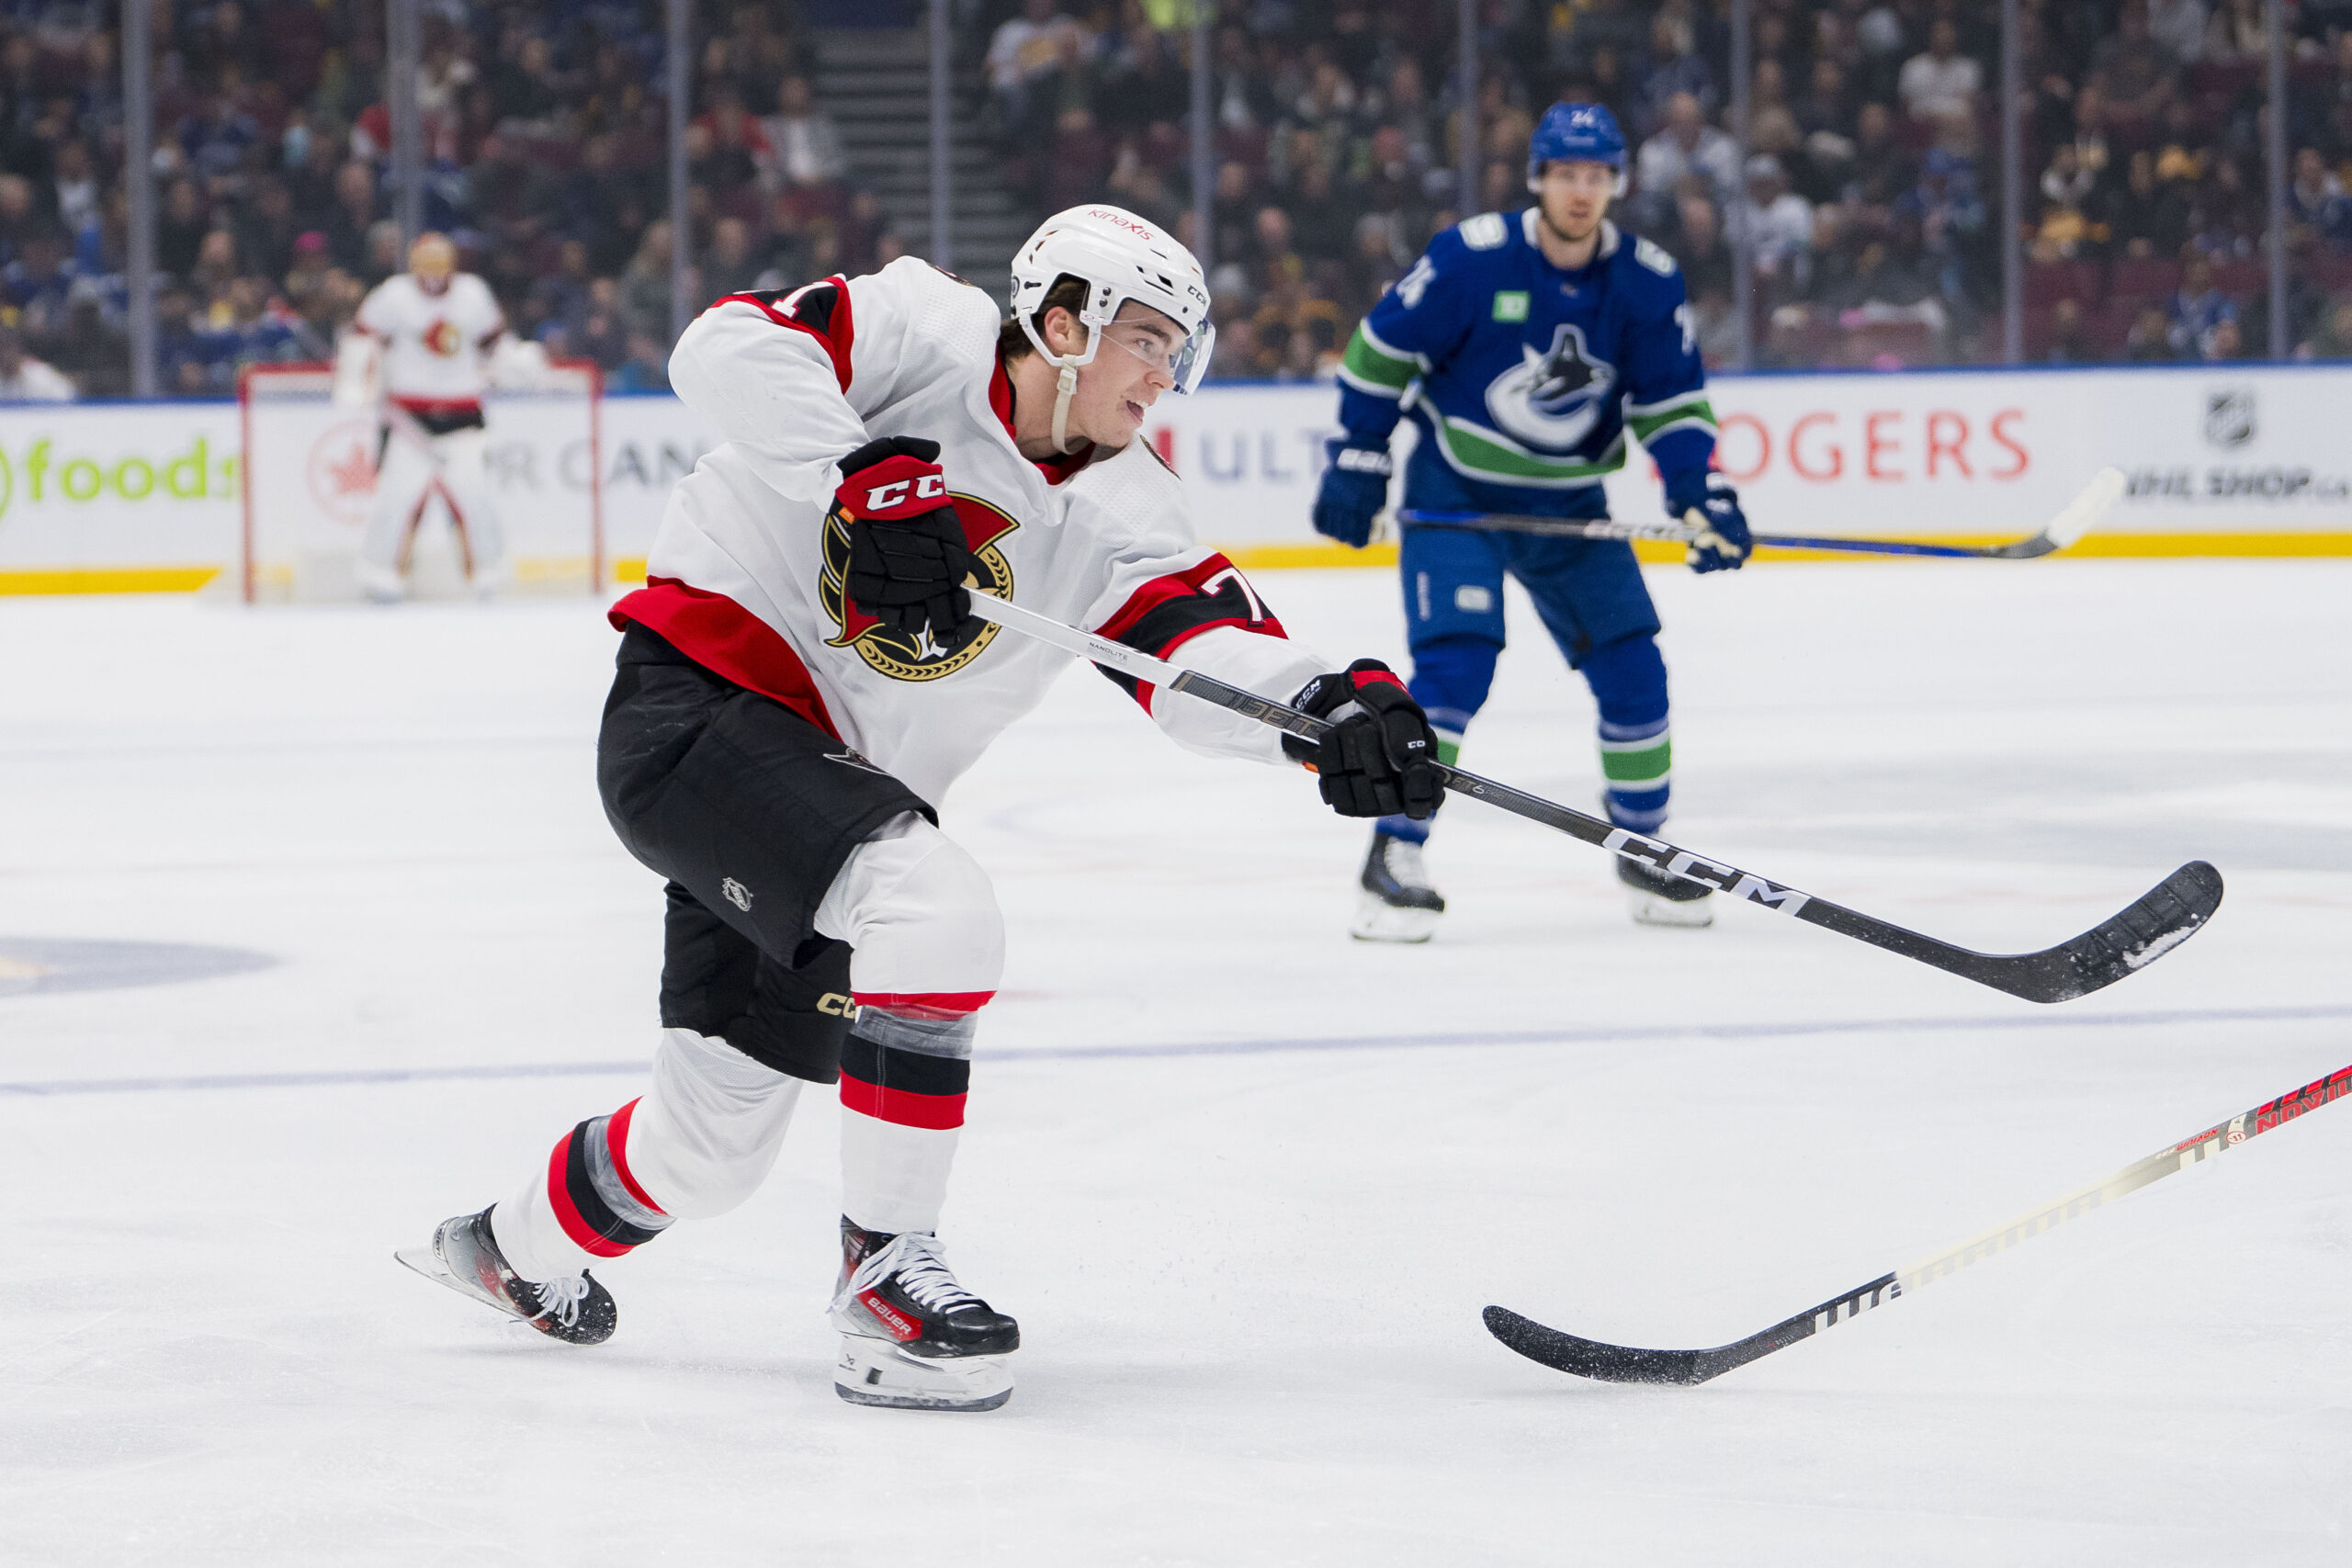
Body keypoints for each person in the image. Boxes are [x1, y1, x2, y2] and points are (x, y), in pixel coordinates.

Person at [396, 205, 1442, 1413]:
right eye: (1147, 338)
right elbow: (722, 348)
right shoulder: (921, 332)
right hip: (696, 709)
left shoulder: (1128, 507)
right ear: (1063, 321)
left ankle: (510, 1247)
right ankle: (883, 1275)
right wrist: (858, 469)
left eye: (1179, 348)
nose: (1167, 373)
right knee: (932, 902)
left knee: (712, 1146)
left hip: (822, 797)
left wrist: (1330, 711)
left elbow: (1198, 647)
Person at [1315, 102, 1752, 942]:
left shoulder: (1646, 280)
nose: (1581, 191)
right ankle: (1394, 855)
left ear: (1616, 183)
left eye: (1596, 176)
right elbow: (1379, 353)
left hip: (1570, 504)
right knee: (1456, 671)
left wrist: (1702, 490)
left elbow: (1671, 402)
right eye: (1565, 174)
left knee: (1635, 671)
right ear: (1539, 179)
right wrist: (1358, 455)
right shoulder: (1472, 260)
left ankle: (1644, 845)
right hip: (1458, 496)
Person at [336, 231, 537, 602]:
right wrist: (351, 381)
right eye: (425, 266)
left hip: (463, 417)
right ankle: (379, 573)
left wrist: (518, 361)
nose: (432, 275)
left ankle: (488, 573)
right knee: (396, 499)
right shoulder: (393, 296)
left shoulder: (473, 294)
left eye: (439, 266)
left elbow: (493, 345)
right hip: (408, 419)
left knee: (475, 497)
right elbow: (362, 340)